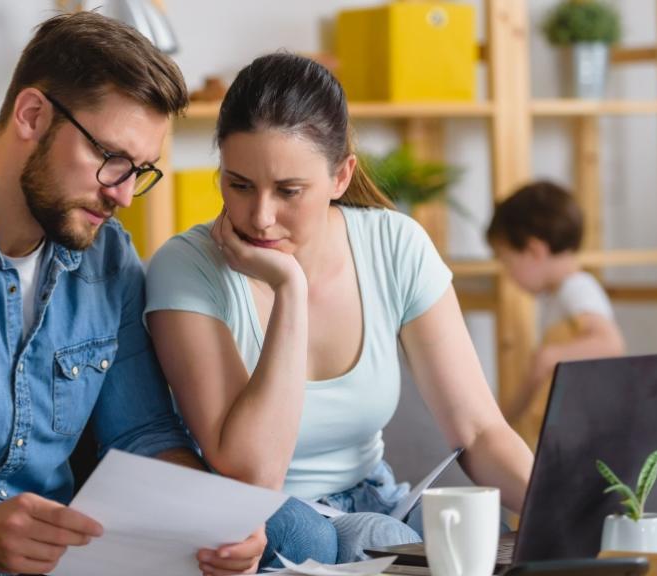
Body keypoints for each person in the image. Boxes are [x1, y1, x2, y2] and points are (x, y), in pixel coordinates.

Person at [0, 14, 332, 576]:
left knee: (293, 531)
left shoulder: (107, 257)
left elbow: (144, 439)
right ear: (32, 115)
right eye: (111, 159)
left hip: (51, 562)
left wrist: (217, 525)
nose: (123, 194)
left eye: (139, 171)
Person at [144, 53, 534, 563]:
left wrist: (566, 510)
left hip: (373, 498)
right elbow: (248, 472)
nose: (260, 217)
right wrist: (290, 290)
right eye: (239, 185)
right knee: (316, 539)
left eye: (289, 191)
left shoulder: (395, 246)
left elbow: (480, 431)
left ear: (341, 177)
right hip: (259, 515)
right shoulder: (185, 267)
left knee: (473, 529)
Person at [486, 180, 626, 449]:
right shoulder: (558, 295)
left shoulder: (577, 287)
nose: (508, 274)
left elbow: (610, 343)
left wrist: (548, 356)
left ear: (534, 250)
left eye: (507, 261)